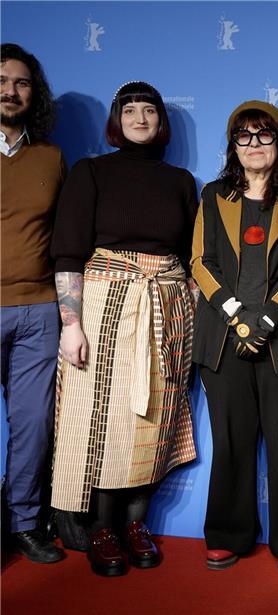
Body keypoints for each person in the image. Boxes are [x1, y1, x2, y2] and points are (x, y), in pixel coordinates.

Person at [50, 81, 198, 576]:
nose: (140, 118)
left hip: (167, 308)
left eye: (149, 110)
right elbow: (69, 250)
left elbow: (191, 257)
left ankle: (138, 523)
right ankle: (102, 527)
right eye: (130, 110)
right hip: (104, 307)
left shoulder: (180, 180)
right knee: (105, 421)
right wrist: (70, 325)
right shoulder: (90, 171)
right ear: (117, 121)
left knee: (154, 419)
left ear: (161, 120)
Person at [191, 100, 278, 576]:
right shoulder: (212, 194)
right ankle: (226, 534)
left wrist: (266, 320)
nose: (254, 145)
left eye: (264, 135)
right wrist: (237, 316)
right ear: (233, 145)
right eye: (244, 136)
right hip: (223, 341)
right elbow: (201, 261)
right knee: (231, 442)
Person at [1, 43, 66, 564]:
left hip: (39, 311)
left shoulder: (51, 156)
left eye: (21, 83)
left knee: (33, 425)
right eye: (2, 80)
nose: (9, 90)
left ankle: (23, 521)